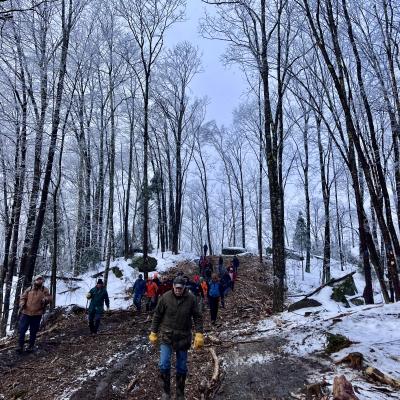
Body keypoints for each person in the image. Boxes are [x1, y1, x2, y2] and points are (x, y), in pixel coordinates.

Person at [149, 276, 204, 400]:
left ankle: (180, 393)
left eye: (180, 288)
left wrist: (199, 333)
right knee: (163, 364)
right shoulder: (165, 297)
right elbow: (157, 315)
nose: (178, 290)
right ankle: (166, 392)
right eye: (176, 287)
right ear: (173, 286)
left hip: (183, 337)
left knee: (182, 367)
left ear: (184, 287)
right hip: (167, 336)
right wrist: (153, 332)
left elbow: (198, 316)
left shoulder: (191, 299)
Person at [17, 275, 52, 353]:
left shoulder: (45, 290)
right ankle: (20, 346)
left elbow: (50, 297)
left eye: (41, 280)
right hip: (26, 313)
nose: (39, 281)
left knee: (33, 331)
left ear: (42, 281)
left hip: (37, 314)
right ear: (34, 281)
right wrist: (22, 303)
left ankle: (30, 347)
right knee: (22, 330)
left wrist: (45, 299)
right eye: (38, 280)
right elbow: (23, 298)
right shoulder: (29, 289)